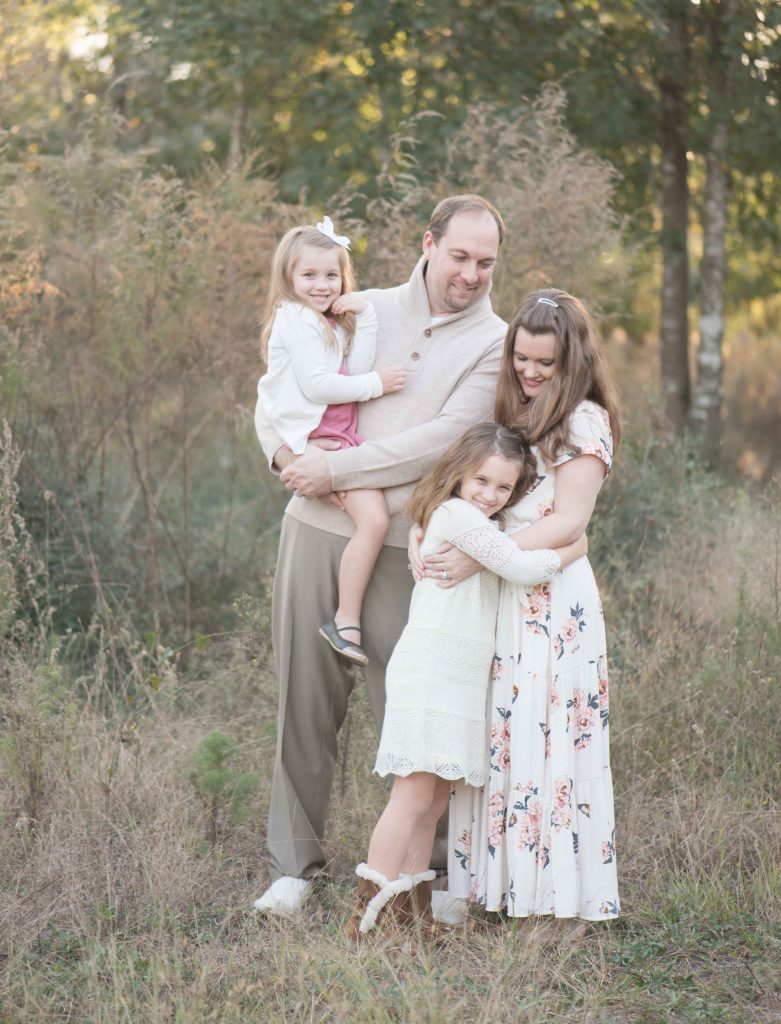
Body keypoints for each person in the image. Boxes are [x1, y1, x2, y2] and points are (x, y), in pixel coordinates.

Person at [253, 195, 508, 917]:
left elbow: (445, 440)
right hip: (313, 525)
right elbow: (276, 392)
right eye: (458, 255)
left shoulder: (492, 341)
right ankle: (293, 866)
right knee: (304, 698)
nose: (470, 273)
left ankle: (423, 873)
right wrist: (284, 456)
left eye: (485, 262)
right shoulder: (354, 304)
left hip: (405, 545)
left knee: (414, 706)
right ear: (428, 243)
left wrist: (338, 471)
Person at [414, 288, 621, 921]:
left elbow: (570, 522)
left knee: (545, 739)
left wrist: (479, 553)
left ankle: (547, 894)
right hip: (505, 595)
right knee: (501, 736)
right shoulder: (518, 413)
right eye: (521, 360)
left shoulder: (583, 421)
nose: (529, 373)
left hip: (551, 599)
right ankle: (487, 887)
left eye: (544, 364)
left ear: (573, 363)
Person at [344, 422, 588, 939]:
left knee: (434, 801)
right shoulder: (457, 516)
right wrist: (575, 547)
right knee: (410, 797)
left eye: (503, 488)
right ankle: (369, 919)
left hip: (458, 676)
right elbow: (520, 568)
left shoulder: (482, 525)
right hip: (432, 670)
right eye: (481, 481)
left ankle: (410, 915)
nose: (490, 496)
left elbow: (504, 555)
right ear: (458, 473)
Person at [257, 216, 406, 667]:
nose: (322, 285)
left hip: (339, 437)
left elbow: (354, 366)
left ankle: (345, 622)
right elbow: (322, 386)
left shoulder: (325, 322)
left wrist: (367, 317)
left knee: (373, 521)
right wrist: (377, 385)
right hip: (319, 439)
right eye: (309, 275)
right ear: (288, 278)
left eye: (331, 275)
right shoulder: (297, 320)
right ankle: (345, 622)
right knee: (375, 522)